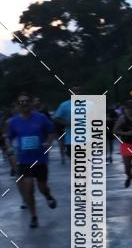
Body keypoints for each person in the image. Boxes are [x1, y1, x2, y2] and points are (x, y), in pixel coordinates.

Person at [7, 92, 57, 227]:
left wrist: (48, 142)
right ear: (17, 106)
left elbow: (51, 131)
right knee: (28, 188)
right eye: (21, 103)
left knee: (42, 187)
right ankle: (34, 216)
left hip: (40, 159)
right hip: (24, 160)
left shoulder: (40, 118)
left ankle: (48, 196)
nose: (24, 105)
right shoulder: (14, 122)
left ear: (30, 103)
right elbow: (9, 137)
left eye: (26, 102)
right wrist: (10, 147)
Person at [114, 101, 132, 199]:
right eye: (128, 109)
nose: (131, 111)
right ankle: (129, 176)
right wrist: (126, 133)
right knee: (127, 168)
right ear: (125, 109)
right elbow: (115, 131)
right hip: (126, 145)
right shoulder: (122, 118)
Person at [53, 86, 82, 159]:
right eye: (75, 91)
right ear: (70, 92)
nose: (77, 93)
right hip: (70, 139)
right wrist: (68, 123)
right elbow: (56, 118)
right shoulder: (64, 105)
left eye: (78, 91)